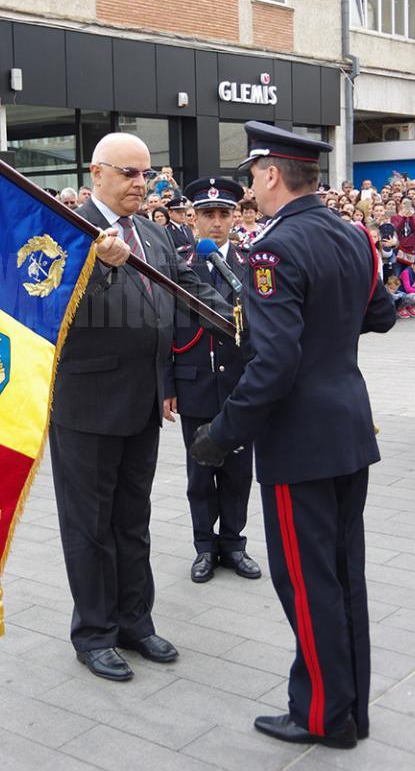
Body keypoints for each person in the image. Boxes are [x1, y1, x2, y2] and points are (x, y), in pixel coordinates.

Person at [188, 122, 395, 750]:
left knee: (307, 583)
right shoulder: (350, 233)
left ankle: (323, 717)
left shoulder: (272, 250)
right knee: (342, 574)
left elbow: (273, 363)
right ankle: (349, 708)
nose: (250, 184)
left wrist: (221, 434)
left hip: (300, 442)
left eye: (252, 173)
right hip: (348, 427)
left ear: (273, 174)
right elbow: (381, 314)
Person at [50, 132, 232, 683]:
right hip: (87, 407)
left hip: (143, 404)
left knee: (134, 521)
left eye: (146, 174)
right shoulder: (64, 233)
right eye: (128, 173)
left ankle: (135, 621)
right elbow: (53, 309)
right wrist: (101, 267)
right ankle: (95, 632)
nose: (140, 183)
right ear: (96, 172)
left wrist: (241, 316)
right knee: (90, 526)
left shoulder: (153, 233)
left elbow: (189, 292)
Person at [163, 177, 261, 584]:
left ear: (235, 217)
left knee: (239, 471)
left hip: (240, 386)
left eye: (224, 214)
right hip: (195, 382)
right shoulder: (177, 264)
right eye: (208, 214)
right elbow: (162, 328)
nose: (216, 222)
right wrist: (166, 385)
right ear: (193, 218)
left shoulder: (252, 264)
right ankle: (204, 546)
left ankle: (233, 543)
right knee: (200, 472)